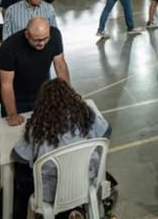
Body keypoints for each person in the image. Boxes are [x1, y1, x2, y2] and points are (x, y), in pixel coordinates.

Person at [9, 78, 109, 219]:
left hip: (50, 193)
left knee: (21, 175)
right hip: (86, 182)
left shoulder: (37, 127)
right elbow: (106, 132)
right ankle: (78, 210)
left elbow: (18, 155)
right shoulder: (86, 115)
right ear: (71, 96)